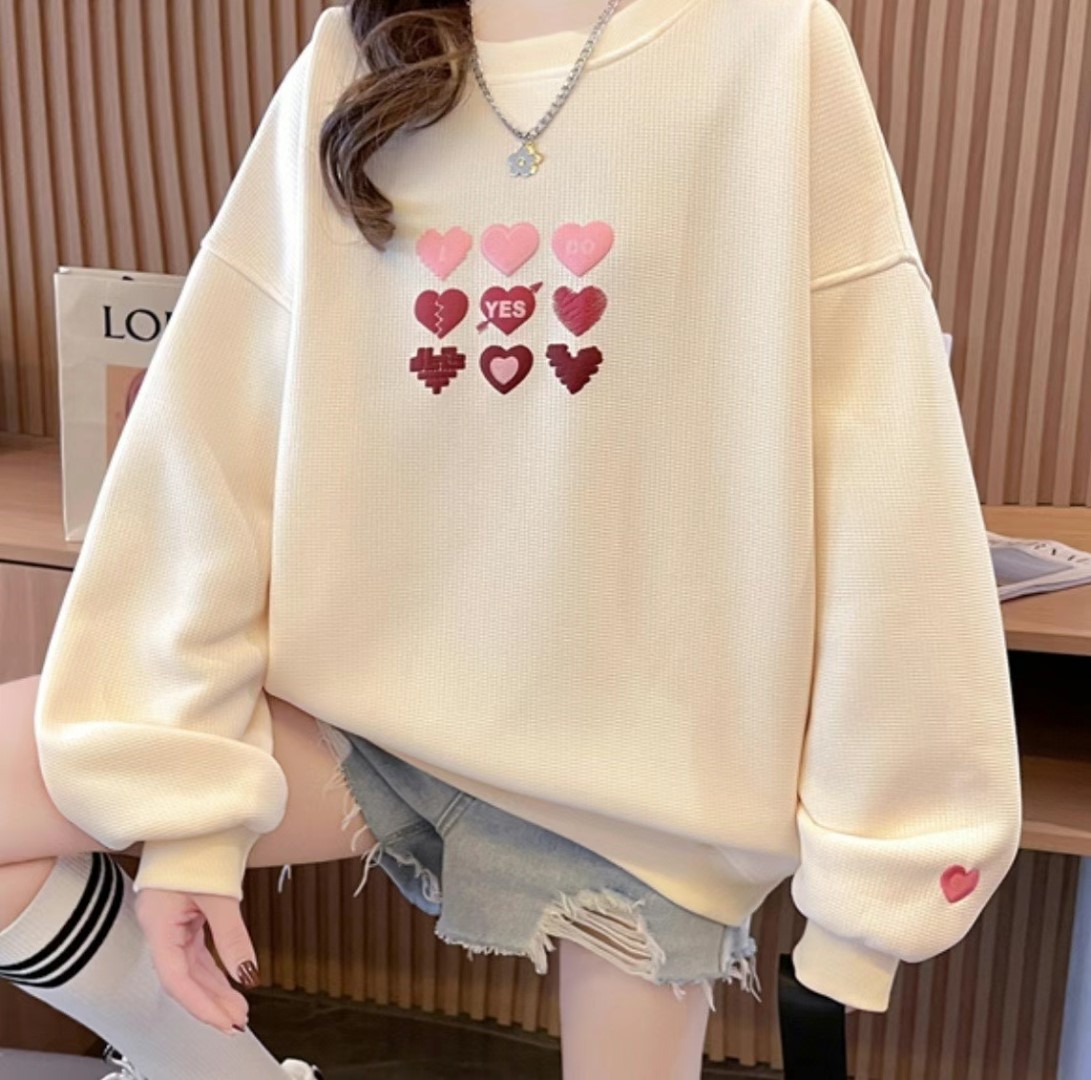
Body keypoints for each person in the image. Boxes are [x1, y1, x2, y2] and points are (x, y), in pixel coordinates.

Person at [0, 0, 1024, 1077]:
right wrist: (189, 826)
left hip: (652, 774)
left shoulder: (769, 43)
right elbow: (215, 435)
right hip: (372, 713)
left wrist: (886, 865)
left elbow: (878, 443)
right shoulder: (356, 56)